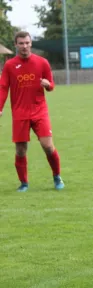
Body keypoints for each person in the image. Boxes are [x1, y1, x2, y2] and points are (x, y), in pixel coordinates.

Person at [0, 31, 63, 192]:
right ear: (16, 45)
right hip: (20, 113)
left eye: (27, 43)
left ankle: (57, 177)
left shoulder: (42, 63)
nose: (24, 46)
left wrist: (47, 84)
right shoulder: (9, 65)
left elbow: (52, 86)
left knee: (47, 145)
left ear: (31, 44)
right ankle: (24, 183)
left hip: (39, 111)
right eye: (21, 43)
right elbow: (3, 88)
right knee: (20, 150)